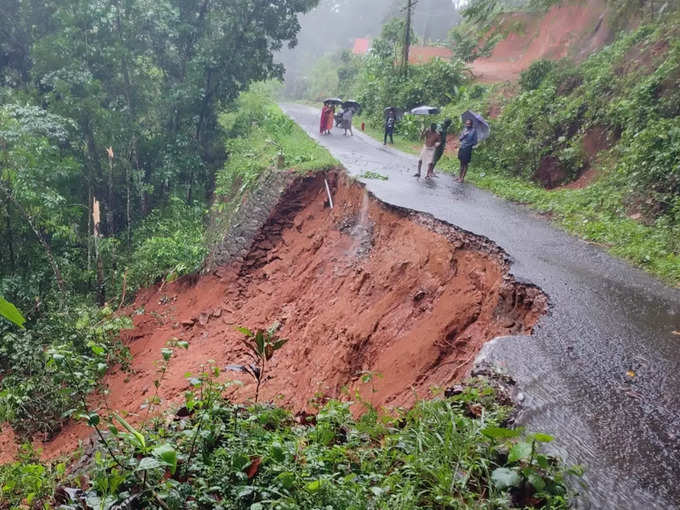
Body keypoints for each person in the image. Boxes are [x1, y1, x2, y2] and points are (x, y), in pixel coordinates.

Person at [458, 118, 478, 182]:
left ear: (471, 124)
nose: (467, 125)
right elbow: (460, 139)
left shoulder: (474, 131)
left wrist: (469, 144)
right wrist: (464, 135)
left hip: (467, 149)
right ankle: (459, 176)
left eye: (469, 124)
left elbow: (475, 142)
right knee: (461, 162)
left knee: (465, 164)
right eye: (466, 123)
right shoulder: (464, 129)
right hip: (462, 147)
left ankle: (462, 178)